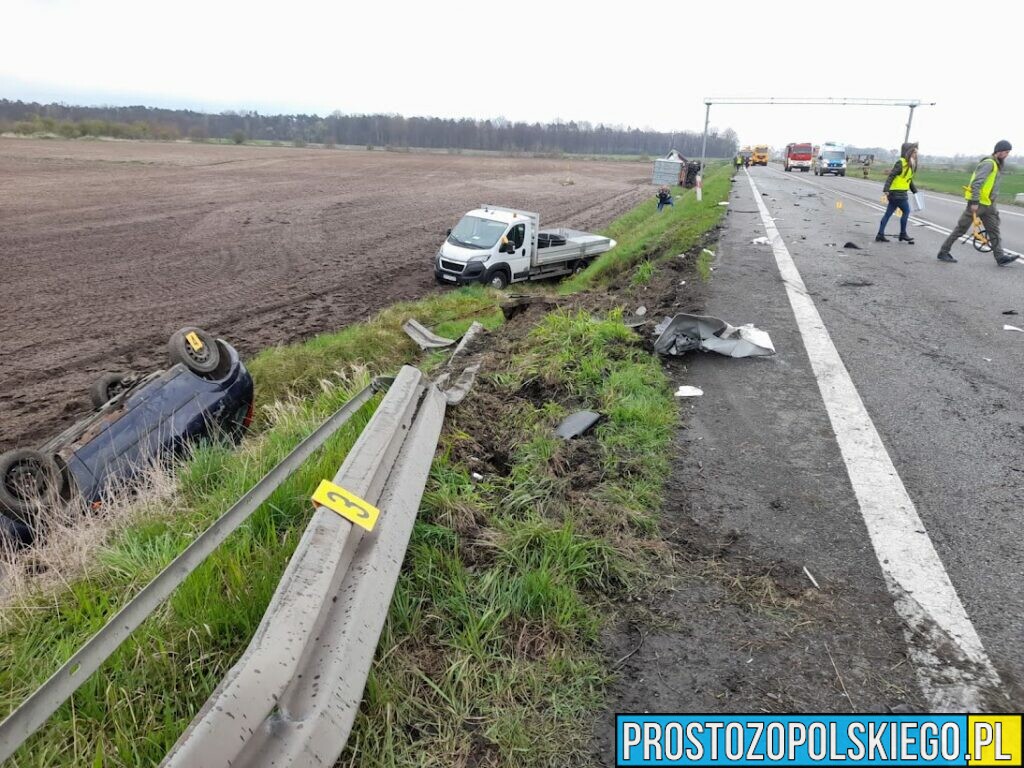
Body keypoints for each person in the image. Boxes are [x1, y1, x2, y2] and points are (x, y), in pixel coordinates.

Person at [936, 140, 1018, 265]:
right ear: (999, 151)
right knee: (961, 229)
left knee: (994, 230)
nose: (1007, 154)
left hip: (989, 205)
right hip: (977, 204)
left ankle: (1000, 257)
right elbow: (977, 183)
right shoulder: (988, 163)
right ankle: (943, 251)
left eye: (1008, 152)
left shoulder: (996, 165)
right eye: (1006, 152)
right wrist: (974, 201)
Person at [875, 142, 919, 244]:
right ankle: (903, 234)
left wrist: (915, 191)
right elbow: (891, 175)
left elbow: (908, 180)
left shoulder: (909, 163)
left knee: (888, 214)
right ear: (909, 152)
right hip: (898, 194)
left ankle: (880, 234)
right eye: (914, 152)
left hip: (896, 194)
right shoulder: (901, 163)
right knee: (906, 211)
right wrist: (886, 189)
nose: (916, 154)